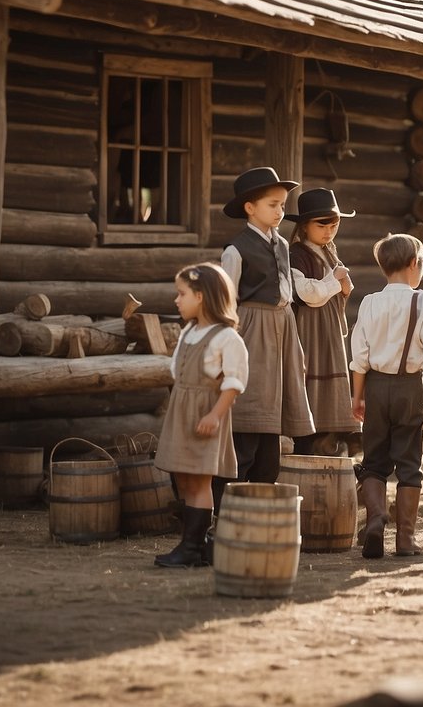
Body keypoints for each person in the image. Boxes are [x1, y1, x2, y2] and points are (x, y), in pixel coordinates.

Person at [351, 233, 423, 559]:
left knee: (373, 463)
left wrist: (357, 398)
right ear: (414, 264)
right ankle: (405, 540)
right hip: (409, 388)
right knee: (410, 464)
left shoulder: (370, 302)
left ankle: (374, 520)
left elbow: (359, 358)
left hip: (375, 387)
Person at [217, 167, 315, 513]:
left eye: (282, 205)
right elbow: (226, 303)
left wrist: (293, 340)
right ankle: (228, 505)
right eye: (273, 205)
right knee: (251, 410)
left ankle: (262, 496)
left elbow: (286, 291)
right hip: (251, 329)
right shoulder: (236, 249)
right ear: (249, 208)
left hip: (282, 327)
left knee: (274, 414)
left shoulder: (283, 244)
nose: (280, 211)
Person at [153, 263, 248, 568]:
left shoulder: (226, 338)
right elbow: (176, 372)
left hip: (204, 414)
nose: (176, 300)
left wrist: (215, 415)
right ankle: (198, 544)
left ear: (201, 296)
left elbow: (234, 382)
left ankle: (192, 547)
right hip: (182, 412)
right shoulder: (189, 333)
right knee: (184, 478)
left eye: (182, 294)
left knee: (199, 481)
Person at [287, 188, 359, 456]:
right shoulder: (297, 254)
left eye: (334, 224)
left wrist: (343, 286)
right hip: (310, 330)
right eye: (322, 225)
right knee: (312, 376)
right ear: (304, 226)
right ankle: (309, 435)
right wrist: (335, 280)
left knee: (331, 375)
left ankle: (330, 437)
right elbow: (307, 294)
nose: (329, 231)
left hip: (328, 330)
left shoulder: (329, 252)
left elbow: (334, 289)